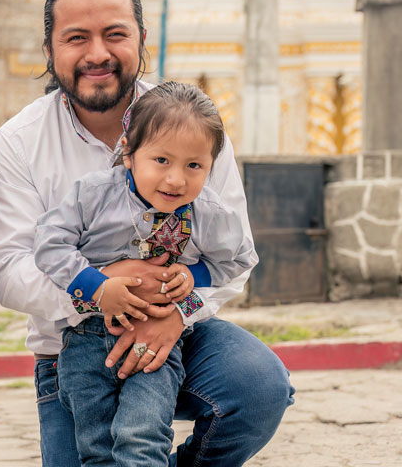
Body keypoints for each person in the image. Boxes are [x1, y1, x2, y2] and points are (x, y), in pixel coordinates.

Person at [0, 0, 294, 467]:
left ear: (141, 40)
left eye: (115, 34)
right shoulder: (20, 141)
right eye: (76, 38)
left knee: (258, 386)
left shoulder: (195, 129)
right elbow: (8, 270)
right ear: (49, 49)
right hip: (74, 347)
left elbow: (232, 253)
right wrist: (102, 286)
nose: (97, 54)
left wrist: (176, 311)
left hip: (180, 337)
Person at [34, 82, 257, 467]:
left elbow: (239, 260)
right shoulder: (92, 195)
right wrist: (98, 287)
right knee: (98, 448)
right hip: (86, 341)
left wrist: (193, 275)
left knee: (143, 440)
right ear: (129, 152)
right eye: (161, 161)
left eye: (194, 166)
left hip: (159, 347)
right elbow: (49, 246)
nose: (176, 180)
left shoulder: (208, 213)